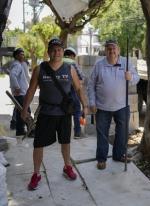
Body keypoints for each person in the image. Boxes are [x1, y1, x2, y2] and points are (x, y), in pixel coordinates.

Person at [21, 38, 88, 190]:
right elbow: (31, 90)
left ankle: (67, 166)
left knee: (65, 142)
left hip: (64, 113)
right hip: (46, 113)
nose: (56, 52)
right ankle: (36, 174)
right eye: (53, 49)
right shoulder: (40, 69)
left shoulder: (69, 68)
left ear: (62, 51)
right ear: (48, 51)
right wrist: (25, 109)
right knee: (38, 144)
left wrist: (85, 106)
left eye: (59, 49)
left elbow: (78, 89)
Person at [88, 39, 140, 170]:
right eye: (109, 49)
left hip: (122, 106)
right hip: (102, 106)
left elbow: (136, 78)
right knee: (102, 134)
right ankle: (101, 158)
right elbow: (91, 85)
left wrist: (131, 78)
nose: (111, 51)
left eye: (114, 48)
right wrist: (92, 102)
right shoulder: (99, 65)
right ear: (105, 51)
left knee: (122, 133)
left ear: (118, 50)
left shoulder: (126, 62)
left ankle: (118, 155)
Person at [63, 47, 84, 138]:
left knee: (63, 111)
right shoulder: (72, 63)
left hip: (59, 91)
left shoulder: (58, 61)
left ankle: (62, 132)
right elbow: (81, 76)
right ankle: (77, 132)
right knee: (76, 110)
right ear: (72, 55)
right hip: (71, 89)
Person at [9, 48, 30, 136]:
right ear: (16, 56)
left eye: (23, 54)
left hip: (22, 92)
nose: (23, 56)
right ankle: (31, 129)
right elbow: (12, 75)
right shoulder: (17, 65)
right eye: (21, 54)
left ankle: (20, 130)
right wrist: (17, 87)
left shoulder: (18, 64)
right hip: (20, 93)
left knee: (20, 112)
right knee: (26, 111)